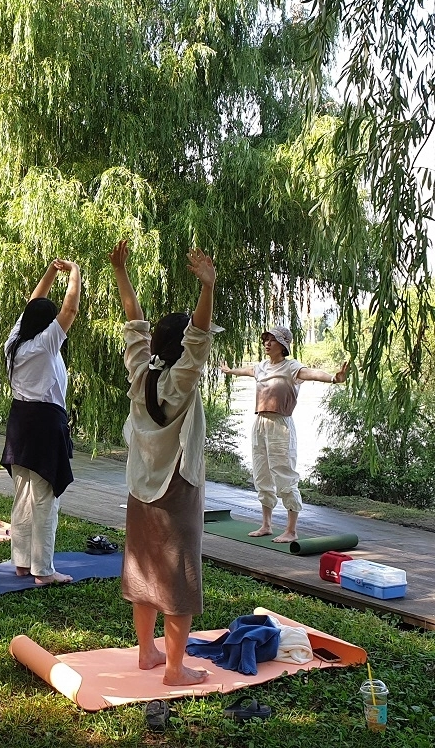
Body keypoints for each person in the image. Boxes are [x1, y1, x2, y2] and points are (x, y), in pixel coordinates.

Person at [111, 239, 216, 687]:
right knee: (177, 579)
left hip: (140, 486)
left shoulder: (142, 374)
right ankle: (175, 669)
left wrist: (121, 271)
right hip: (177, 489)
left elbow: (135, 323)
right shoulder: (181, 382)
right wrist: (207, 289)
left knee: (144, 569)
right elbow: (198, 339)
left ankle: (147, 652)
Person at [220, 328, 349, 542]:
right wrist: (229, 370)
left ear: (283, 345)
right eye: (266, 340)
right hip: (259, 423)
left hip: (280, 424)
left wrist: (334, 379)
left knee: (284, 475)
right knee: (261, 474)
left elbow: (313, 374)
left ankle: (291, 530)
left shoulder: (292, 367)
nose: (267, 344)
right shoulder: (261, 367)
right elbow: (246, 371)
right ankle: (266, 525)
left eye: (273, 340)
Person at [0, 258, 81, 585]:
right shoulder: (46, 343)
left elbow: (32, 305)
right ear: (48, 326)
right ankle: (43, 571)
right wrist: (74, 273)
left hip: (20, 421)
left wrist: (49, 272)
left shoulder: (15, 341)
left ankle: (21, 562)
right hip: (45, 423)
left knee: (23, 495)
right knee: (45, 499)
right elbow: (70, 311)